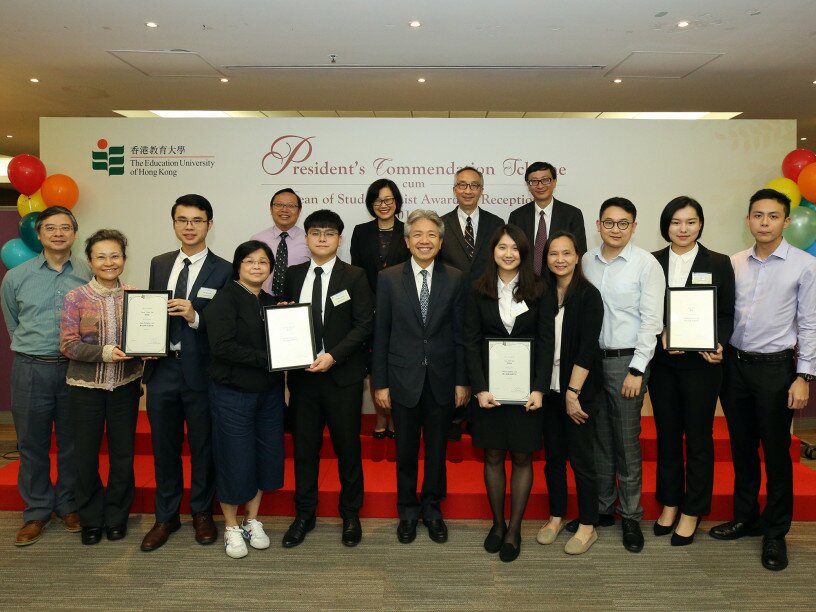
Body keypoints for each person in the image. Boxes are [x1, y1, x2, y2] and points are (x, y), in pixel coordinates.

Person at [710, 188, 815, 572]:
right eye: (758, 215)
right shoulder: (734, 262)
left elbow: (810, 324)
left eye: (773, 216)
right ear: (748, 219)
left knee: (775, 452)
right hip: (734, 366)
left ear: (786, 221)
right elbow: (719, 311)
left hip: (776, 369)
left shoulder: (804, 265)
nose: (765, 222)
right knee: (741, 447)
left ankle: (775, 532)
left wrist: (803, 375)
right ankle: (746, 517)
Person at [140, 194, 232, 552]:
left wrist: (195, 316)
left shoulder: (224, 269)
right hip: (162, 370)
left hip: (202, 372)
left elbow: (225, 328)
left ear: (210, 224)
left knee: (203, 447)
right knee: (164, 447)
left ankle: (201, 512)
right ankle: (165, 517)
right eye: (182, 220)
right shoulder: (159, 263)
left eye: (197, 220)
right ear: (174, 223)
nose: (189, 227)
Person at [372, 209, 470, 545]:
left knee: (437, 450)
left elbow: (460, 335)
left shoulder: (456, 278)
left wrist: (462, 381)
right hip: (402, 380)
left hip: (443, 379)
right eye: (418, 235)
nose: (424, 240)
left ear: (441, 242)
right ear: (407, 240)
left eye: (431, 235)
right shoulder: (388, 278)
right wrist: (380, 383)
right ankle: (408, 511)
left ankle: (432, 509)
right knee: (405, 451)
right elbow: (381, 334)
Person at [281, 210, 374, 548]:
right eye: (316, 232)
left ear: (339, 239)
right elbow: (281, 318)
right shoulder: (292, 275)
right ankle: (304, 514)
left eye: (329, 233)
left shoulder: (355, 276)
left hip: (342, 378)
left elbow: (364, 325)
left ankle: (350, 513)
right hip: (303, 380)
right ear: (306, 238)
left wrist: (333, 356)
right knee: (305, 451)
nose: (322, 238)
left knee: (348, 449)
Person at [1, 206, 91, 546]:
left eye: (65, 227)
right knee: (31, 444)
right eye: (50, 228)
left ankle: (68, 505)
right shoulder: (16, 277)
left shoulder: (87, 273)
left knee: (73, 444)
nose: (57, 233)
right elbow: (13, 322)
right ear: (38, 235)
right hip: (30, 369)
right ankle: (37, 511)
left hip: (75, 369)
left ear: (74, 233)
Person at [464, 225, 553, 562]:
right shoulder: (478, 290)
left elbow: (547, 343)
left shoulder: (539, 291)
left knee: (522, 457)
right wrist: (480, 388)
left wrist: (540, 388)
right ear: (493, 251)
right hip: (491, 391)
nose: (508, 253)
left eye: (515, 248)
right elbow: (470, 342)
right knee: (492, 456)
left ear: (525, 253)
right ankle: (497, 523)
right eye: (502, 247)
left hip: (526, 392)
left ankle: (514, 529)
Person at [580, 197, 665, 553]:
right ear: (598, 225)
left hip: (626, 362)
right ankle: (602, 509)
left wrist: (637, 369)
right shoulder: (586, 260)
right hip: (590, 364)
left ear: (634, 225)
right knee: (598, 438)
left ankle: (631, 514)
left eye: (623, 223)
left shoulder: (646, 265)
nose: (616, 229)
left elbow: (652, 322)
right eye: (609, 223)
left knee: (627, 442)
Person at [649, 197, 735, 546]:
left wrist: (719, 343)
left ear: (700, 224)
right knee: (667, 436)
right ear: (665, 225)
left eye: (690, 222)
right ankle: (669, 503)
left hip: (702, 365)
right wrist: (661, 331)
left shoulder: (718, 262)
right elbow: (648, 309)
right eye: (675, 222)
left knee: (699, 438)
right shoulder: (652, 262)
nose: (683, 229)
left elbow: (727, 313)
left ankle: (692, 509)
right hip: (664, 364)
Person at [59, 230, 142, 545]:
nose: (109, 262)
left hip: (126, 386)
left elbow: (146, 337)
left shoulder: (137, 295)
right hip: (85, 389)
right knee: (86, 457)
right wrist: (105, 353)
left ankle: (117, 517)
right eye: (101, 256)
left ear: (123, 258)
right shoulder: (75, 298)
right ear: (90, 261)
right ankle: (91, 519)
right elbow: (68, 345)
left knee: (123, 456)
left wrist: (150, 348)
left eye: (115, 255)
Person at [204, 240, 285, 559]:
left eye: (263, 262)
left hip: (268, 394)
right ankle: (231, 526)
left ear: (270, 268)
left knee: (264, 455)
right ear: (238, 266)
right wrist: (270, 357)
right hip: (232, 394)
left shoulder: (272, 302)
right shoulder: (224, 300)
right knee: (233, 456)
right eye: (249, 261)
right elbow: (222, 348)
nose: (256, 266)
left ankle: (253, 520)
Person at [538, 231, 604, 555]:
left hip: (578, 392)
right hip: (549, 392)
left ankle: (588, 525)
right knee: (553, 460)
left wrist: (573, 392)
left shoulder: (589, 296)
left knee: (581, 460)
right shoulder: (542, 294)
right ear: (546, 259)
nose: (560, 259)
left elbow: (587, 348)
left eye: (566, 253)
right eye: (553, 254)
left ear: (577, 257)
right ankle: (556, 516)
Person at [439, 167, 504, 440]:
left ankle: (478, 416)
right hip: (448, 306)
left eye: (474, 185)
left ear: (481, 190)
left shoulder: (496, 223)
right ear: (454, 189)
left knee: (481, 359)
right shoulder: (440, 224)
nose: (468, 190)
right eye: (462, 185)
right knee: (452, 358)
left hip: (486, 305)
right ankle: (452, 416)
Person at [350, 179, 411, 438]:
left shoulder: (408, 230)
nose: (383, 205)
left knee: (397, 361)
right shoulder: (360, 231)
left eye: (388, 200)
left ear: (396, 202)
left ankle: (396, 416)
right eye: (377, 200)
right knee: (376, 363)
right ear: (370, 204)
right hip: (370, 306)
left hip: (402, 306)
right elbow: (357, 272)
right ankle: (380, 415)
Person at [508, 161, 588, 277]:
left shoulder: (572, 214)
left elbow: (579, 253)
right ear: (528, 186)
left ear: (554, 182)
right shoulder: (517, 216)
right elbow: (514, 254)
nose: (540, 186)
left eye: (545, 180)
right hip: (526, 284)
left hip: (560, 283)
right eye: (534, 181)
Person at [251, 188, 310, 297]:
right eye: (279, 205)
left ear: (299, 211)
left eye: (291, 206)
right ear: (271, 209)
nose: (284, 210)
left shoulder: (309, 240)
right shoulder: (257, 239)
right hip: (263, 300)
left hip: (299, 301)